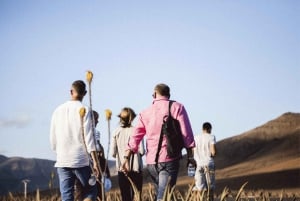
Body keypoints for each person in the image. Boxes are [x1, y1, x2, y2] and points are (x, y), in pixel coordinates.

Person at [120, 83, 195, 201]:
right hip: (169, 160)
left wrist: (126, 158)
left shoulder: (145, 113)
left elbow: (135, 137)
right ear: (169, 95)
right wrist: (190, 156)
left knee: (162, 195)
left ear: (154, 94)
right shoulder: (177, 107)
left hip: (151, 164)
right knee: (163, 197)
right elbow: (187, 134)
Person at [50, 80, 100, 201]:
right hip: (80, 160)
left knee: (67, 196)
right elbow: (89, 138)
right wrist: (95, 161)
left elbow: (52, 139)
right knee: (91, 191)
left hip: (62, 160)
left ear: (71, 92)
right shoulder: (85, 110)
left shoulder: (57, 110)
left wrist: (59, 152)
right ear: (85, 93)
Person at [75, 110, 111, 201]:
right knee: (96, 188)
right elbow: (96, 147)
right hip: (92, 162)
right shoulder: (92, 132)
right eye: (96, 119)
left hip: (83, 162)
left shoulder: (82, 131)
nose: (98, 121)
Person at [110, 107, 145, 201]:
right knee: (137, 196)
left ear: (120, 118)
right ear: (132, 118)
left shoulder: (115, 132)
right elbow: (142, 151)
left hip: (122, 169)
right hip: (136, 168)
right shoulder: (137, 131)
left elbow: (113, 153)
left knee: (125, 197)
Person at [193, 122, 216, 201]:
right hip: (208, 164)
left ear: (202, 129)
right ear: (209, 129)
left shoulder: (196, 138)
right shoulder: (211, 137)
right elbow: (213, 152)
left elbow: (193, 151)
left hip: (198, 164)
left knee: (199, 188)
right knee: (210, 188)